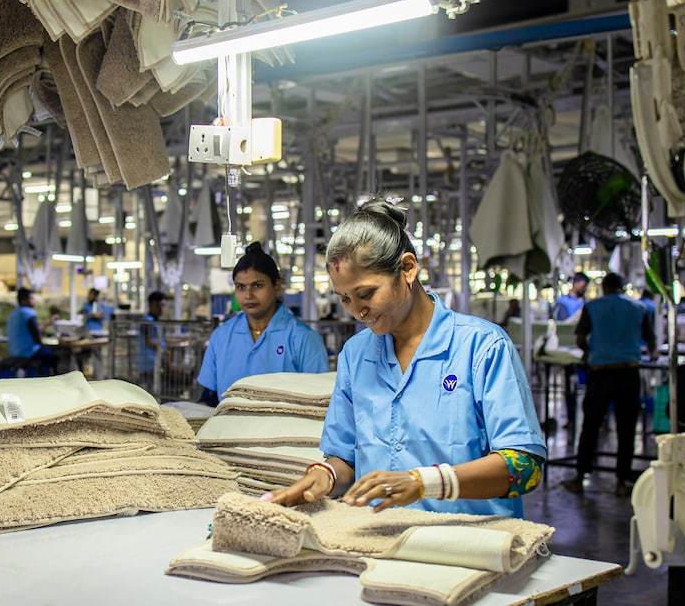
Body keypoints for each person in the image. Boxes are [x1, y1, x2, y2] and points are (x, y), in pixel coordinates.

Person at [262, 200, 547, 518]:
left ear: (408, 269)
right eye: (345, 298)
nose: (357, 310)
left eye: (367, 294)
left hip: (470, 543)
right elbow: (346, 458)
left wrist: (427, 482)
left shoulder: (482, 347)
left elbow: (525, 467)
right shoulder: (356, 356)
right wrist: (323, 476)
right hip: (382, 539)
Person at [197, 242, 328, 404]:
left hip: (286, 429)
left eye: (257, 285)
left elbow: (319, 401)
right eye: (241, 287)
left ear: (277, 286)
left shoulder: (304, 339)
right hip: (228, 427)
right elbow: (209, 397)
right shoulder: (221, 336)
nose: (248, 295)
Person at [562, 272, 657, 497]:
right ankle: (621, 481)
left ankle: (579, 477)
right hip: (629, 373)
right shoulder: (639, 308)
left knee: (590, 426)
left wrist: (592, 351)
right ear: (622, 288)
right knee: (626, 429)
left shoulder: (593, 307)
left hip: (600, 374)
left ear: (604, 287)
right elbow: (651, 342)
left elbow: (580, 339)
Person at [5, 287, 59, 376]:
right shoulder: (29, 313)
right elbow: (36, 335)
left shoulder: (13, 314)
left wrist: (50, 321)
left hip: (15, 351)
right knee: (55, 356)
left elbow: (34, 328)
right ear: (23, 300)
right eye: (31, 298)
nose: (34, 301)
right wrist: (44, 345)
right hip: (28, 352)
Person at [137, 291, 168, 392]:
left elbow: (162, 339)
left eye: (163, 305)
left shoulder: (155, 321)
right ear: (150, 305)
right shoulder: (147, 321)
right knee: (152, 391)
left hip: (156, 362)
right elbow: (148, 341)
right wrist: (164, 351)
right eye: (157, 305)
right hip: (149, 363)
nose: (161, 308)